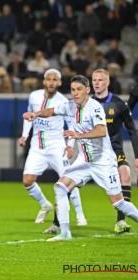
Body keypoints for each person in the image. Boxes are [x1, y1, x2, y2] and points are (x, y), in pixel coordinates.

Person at [23, 75, 138, 242]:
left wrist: (78, 135)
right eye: (73, 90)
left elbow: (101, 131)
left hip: (103, 162)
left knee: (118, 203)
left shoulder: (95, 107)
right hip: (84, 161)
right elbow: (51, 111)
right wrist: (35, 114)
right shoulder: (69, 106)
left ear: (87, 90)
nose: (75, 93)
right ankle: (65, 233)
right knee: (60, 187)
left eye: (79, 89)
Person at [19, 69, 86, 226]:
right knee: (27, 180)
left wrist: (70, 146)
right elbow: (30, 116)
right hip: (37, 147)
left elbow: (71, 125)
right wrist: (24, 135)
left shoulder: (64, 102)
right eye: (48, 79)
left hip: (56, 146)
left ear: (59, 82)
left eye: (55, 80)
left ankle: (80, 214)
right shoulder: (34, 96)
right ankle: (45, 204)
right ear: (44, 81)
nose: (51, 82)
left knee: (68, 179)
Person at [91, 69, 138, 233]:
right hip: (93, 154)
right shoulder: (86, 104)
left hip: (115, 150)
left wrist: (137, 156)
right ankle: (57, 223)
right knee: (67, 182)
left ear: (108, 82)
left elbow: (132, 130)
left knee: (125, 173)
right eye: (94, 80)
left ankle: (121, 222)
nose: (96, 83)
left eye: (100, 80)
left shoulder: (118, 104)